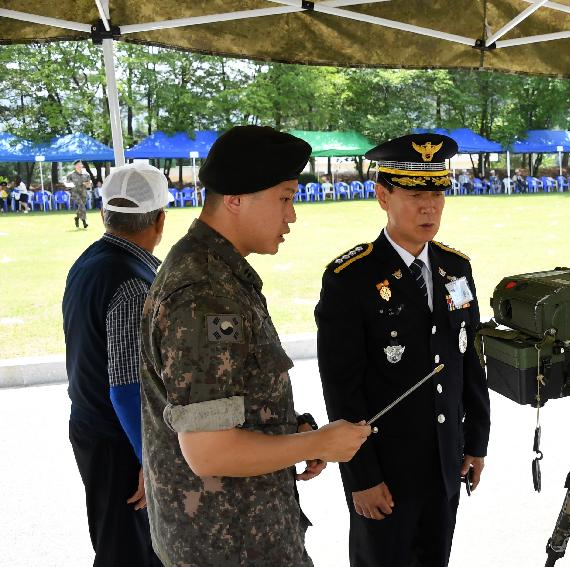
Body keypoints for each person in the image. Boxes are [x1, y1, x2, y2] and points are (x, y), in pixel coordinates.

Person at [139, 125, 371, 567]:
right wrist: (316, 443)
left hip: (242, 533)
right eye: (284, 198)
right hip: (228, 545)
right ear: (235, 200)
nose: (293, 215)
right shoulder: (203, 293)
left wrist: (290, 431)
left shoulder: (219, 273)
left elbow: (234, 398)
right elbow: (210, 451)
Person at [316, 133, 491, 567]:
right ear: (382, 196)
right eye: (415, 194)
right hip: (386, 469)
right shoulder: (351, 277)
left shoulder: (455, 266)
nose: (429, 207)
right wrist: (362, 476)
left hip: (445, 458)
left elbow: (468, 357)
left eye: (437, 193)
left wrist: (477, 441)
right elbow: (341, 387)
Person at [62, 162, 171, 567]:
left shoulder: (92, 259)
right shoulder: (130, 281)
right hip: (121, 441)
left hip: (99, 430)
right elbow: (127, 389)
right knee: (129, 553)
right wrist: (150, 459)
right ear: (160, 220)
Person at [66, 160, 93, 228]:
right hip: (75, 192)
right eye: (78, 165)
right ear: (75, 166)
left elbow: (89, 184)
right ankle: (84, 222)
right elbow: (68, 185)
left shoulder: (86, 174)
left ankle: (77, 218)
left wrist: (88, 185)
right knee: (82, 205)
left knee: (81, 206)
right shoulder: (71, 175)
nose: (79, 166)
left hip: (83, 193)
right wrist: (80, 184)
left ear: (82, 165)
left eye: (80, 164)